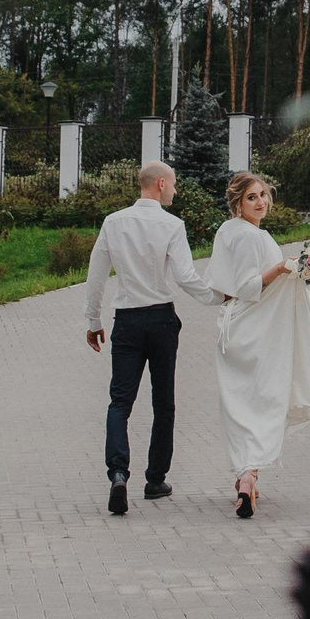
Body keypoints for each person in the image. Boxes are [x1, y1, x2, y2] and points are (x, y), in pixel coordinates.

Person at [85, 160, 220, 516]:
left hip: (126, 321)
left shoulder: (113, 223)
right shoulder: (172, 225)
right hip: (161, 320)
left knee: (120, 401)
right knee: (164, 402)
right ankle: (155, 479)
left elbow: (96, 275)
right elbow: (186, 276)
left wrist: (93, 320)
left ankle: (118, 472)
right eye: (173, 185)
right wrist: (218, 297)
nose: (175, 191)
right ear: (160, 184)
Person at [208, 171, 310, 518]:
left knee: (240, 405)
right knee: (267, 400)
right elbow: (249, 286)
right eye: (252, 197)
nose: (261, 202)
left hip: (234, 328)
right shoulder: (250, 237)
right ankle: (249, 475)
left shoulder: (228, 231)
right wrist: (285, 267)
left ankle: (245, 476)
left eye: (264, 195)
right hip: (256, 330)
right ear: (238, 201)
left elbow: (221, 287)